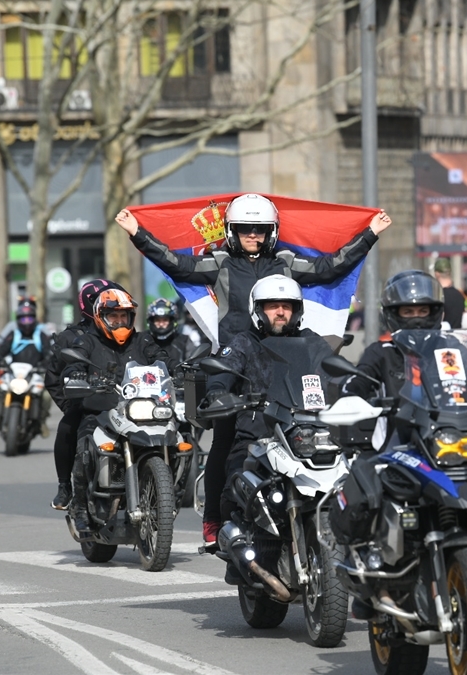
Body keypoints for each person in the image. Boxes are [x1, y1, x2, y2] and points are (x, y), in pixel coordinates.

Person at [115, 194, 391, 547]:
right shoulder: (219, 263)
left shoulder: (287, 262)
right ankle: (215, 519)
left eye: (260, 230)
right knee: (226, 444)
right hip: (238, 363)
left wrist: (370, 233)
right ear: (232, 231)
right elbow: (176, 264)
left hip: (287, 360)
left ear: (271, 232)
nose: (253, 236)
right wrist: (138, 232)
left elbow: (329, 267)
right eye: (245, 229)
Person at [200, 275, 323, 563]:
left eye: (287, 306)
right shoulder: (244, 343)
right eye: (272, 306)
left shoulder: (311, 343)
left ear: (297, 310)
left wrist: (349, 391)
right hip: (259, 435)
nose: (280, 311)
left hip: (304, 434)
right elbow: (224, 371)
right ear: (258, 309)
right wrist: (218, 391)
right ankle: (230, 534)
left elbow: (332, 373)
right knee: (236, 479)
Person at [62, 287, 171, 533]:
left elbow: (162, 358)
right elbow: (74, 363)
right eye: (114, 316)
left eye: (124, 316)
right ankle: (79, 506)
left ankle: (166, 492)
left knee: (179, 436)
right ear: (101, 317)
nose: (120, 321)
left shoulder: (142, 340)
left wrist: (180, 368)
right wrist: (76, 374)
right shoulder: (87, 341)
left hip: (140, 411)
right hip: (100, 413)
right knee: (84, 448)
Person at [343, 270, 446, 450]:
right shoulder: (381, 352)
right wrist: (352, 397)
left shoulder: (449, 352)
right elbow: (355, 382)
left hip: (449, 440)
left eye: (423, 311)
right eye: (408, 312)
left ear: (434, 313)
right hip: (395, 448)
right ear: (394, 314)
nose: (417, 319)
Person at [45, 279, 121, 510]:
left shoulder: (126, 333)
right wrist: (71, 405)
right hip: (87, 405)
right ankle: (65, 487)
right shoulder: (70, 337)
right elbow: (53, 377)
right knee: (67, 428)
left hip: (127, 404)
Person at [0, 298, 52, 436]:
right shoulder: (13, 335)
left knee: (46, 396)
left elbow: (48, 353)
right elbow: (2, 349)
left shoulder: (41, 335)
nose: (26, 323)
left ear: (34, 319)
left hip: (35, 372)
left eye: (29, 319)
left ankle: (42, 421)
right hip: (15, 373)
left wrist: (46, 364)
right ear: (18, 320)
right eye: (23, 320)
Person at [147, 297, 195, 369]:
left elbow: (193, 364)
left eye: (165, 320)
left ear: (173, 321)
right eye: (157, 320)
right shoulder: (144, 340)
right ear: (151, 321)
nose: (161, 324)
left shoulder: (184, 341)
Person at [433, 258, 465, 328]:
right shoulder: (459, 295)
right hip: (457, 336)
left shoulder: (438, 296)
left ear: (437, 274)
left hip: (443, 337)